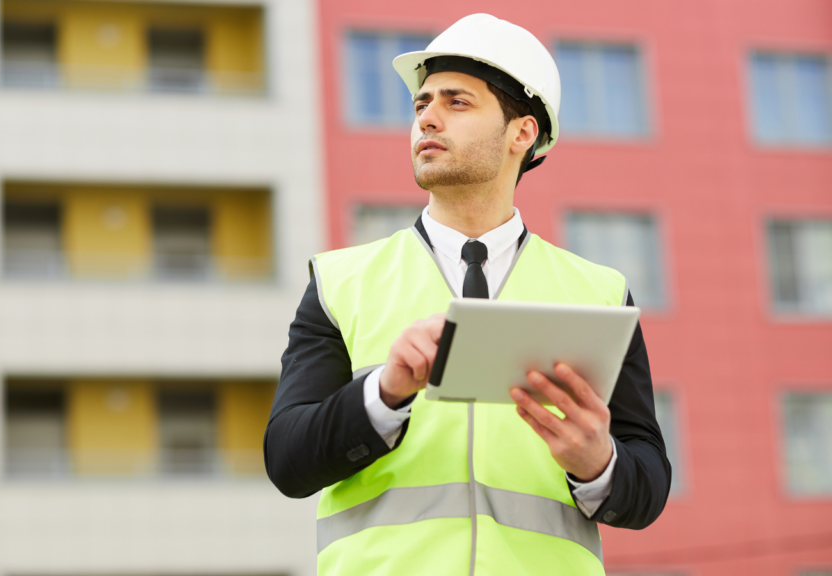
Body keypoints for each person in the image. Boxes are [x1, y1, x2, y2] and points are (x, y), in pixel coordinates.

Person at [265, 13, 670, 576]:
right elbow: (287, 460)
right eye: (421, 104)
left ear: (522, 133)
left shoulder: (599, 293)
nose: (427, 117)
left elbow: (648, 485)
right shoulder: (340, 281)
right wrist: (383, 394)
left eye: (456, 103)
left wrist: (597, 463)